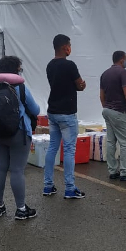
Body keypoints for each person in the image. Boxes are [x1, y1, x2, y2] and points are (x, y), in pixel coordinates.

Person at [0, 56, 41, 220]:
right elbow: (36, 109)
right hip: (18, 133)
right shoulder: (20, 88)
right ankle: (21, 209)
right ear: (16, 70)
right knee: (17, 170)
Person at [43, 34, 87, 199]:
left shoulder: (50, 65)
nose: (70, 48)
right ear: (64, 47)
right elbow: (79, 84)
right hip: (67, 113)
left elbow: (59, 85)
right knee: (69, 149)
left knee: (52, 147)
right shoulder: (70, 65)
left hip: (52, 111)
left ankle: (48, 186)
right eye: (69, 45)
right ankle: (70, 188)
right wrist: (82, 86)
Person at [100, 50, 126, 182]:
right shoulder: (123, 72)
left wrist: (106, 107)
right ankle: (125, 172)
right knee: (125, 142)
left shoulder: (104, 74)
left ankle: (112, 171)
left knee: (111, 141)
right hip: (119, 111)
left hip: (107, 111)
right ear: (122, 60)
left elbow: (102, 96)